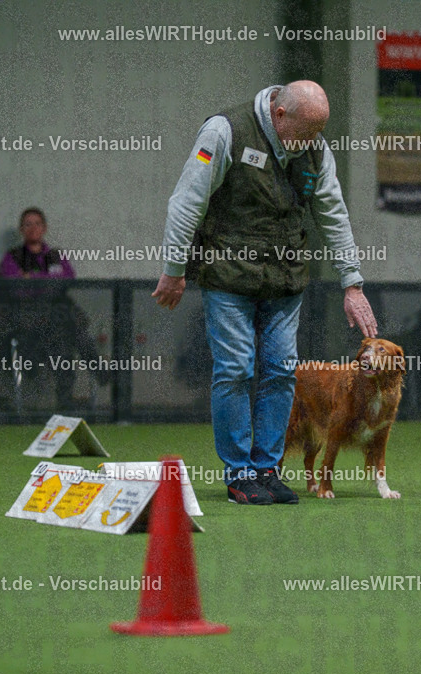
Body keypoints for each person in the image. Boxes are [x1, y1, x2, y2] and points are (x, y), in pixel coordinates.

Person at [152, 80, 378, 505]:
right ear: (279, 114)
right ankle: (239, 472)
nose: (313, 141)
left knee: (280, 371)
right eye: (307, 130)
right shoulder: (224, 132)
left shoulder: (315, 146)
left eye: (319, 132)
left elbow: (333, 211)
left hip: (285, 278)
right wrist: (174, 269)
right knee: (236, 369)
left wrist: (353, 281)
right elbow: (186, 203)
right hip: (228, 275)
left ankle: (266, 470)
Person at [0, 208, 106, 406]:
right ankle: (98, 370)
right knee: (66, 330)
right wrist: (49, 283)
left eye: (37, 223)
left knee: (68, 333)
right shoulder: (12, 257)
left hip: (60, 317)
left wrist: (33, 279)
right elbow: (16, 288)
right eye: (28, 224)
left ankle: (66, 402)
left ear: (44, 228)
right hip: (29, 319)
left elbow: (68, 279)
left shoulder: (56, 255)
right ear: (21, 229)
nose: (33, 228)